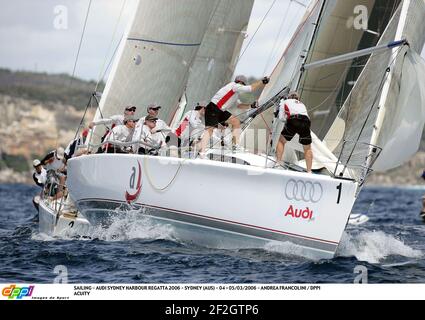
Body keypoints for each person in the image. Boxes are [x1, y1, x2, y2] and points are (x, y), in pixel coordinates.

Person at [199, 75, 269, 155]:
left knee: (236, 122)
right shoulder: (235, 86)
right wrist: (262, 82)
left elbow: (239, 105)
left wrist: (251, 106)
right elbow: (250, 88)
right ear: (241, 83)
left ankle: (235, 146)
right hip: (213, 107)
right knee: (209, 130)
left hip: (220, 110)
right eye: (243, 85)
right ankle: (202, 151)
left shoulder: (235, 93)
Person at [276, 91, 313, 173]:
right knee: (307, 148)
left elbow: (281, 118)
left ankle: (278, 163)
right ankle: (309, 171)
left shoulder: (285, 102)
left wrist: (286, 120)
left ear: (289, 97)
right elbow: (306, 116)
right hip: (306, 122)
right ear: (298, 98)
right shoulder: (302, 104)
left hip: (294, 119)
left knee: (281, 141)